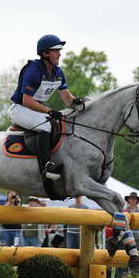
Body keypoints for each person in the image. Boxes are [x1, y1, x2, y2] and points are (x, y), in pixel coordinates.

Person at [10, 34, 84, 180]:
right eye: (56, 51)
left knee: (62, 124)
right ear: (45, 53)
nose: (59, 54)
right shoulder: (33, 69)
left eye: (59, 51)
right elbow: (27, 101)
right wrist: (50, 111)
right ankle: (46, 167)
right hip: (20, 110)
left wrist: (79, 103)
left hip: (37, 111)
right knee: (47, 126)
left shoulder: (58, 72)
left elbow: (68, 99)